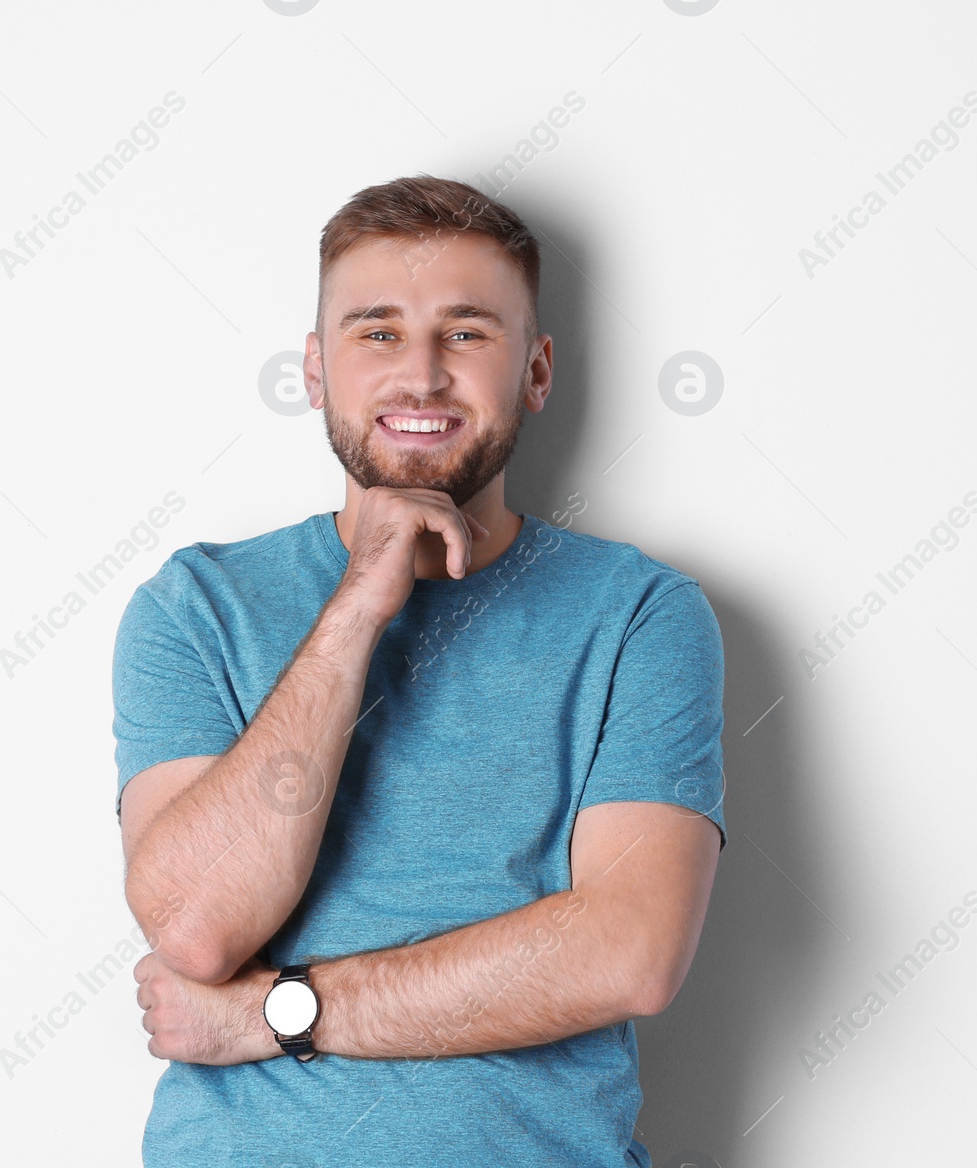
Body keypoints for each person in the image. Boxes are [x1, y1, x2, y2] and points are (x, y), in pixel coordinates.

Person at [113, 173, 726, 1166]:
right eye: (378, 332)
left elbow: (631, 950)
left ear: (536, 371)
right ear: (316, 370)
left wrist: (279, 1011)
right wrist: (358, 606)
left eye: (468, 331)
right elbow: (195, 928)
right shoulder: (196, 608)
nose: (424, 374)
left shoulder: (640, 614)